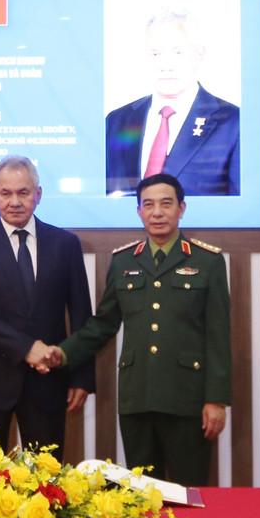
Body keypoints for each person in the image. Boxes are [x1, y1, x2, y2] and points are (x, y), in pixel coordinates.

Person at [39, 173, 232, 486]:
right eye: (148, 204)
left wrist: (217, 400)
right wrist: (63, 353)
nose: (157, 212)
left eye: (166, 204)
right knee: (143, 495)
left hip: (188, 400)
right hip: (137, 398)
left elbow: (219, 336)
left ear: (181, 208)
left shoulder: (207, 262)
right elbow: (103, 323)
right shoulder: (124, 261)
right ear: (139, 211)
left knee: (191, 490)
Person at [0, 155, 95, 460]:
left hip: (48, 383)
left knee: (47, 486)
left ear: (38, 194)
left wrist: (81, 377)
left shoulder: (65, 243)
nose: (14, 201)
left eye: (23, 192)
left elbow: (82, 314)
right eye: (6, 193)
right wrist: (26, 348)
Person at [106, 7, 240, 197]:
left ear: (200, 53)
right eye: (155, 54)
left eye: (177, 53)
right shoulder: (117, 120)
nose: (165, 65)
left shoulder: (232, 122)